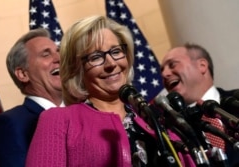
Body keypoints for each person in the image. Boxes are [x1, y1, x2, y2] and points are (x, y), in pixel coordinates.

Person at [26, 15, 196, 167]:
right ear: (77, 69)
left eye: (116, 52)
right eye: (96, 57)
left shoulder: (157, 118)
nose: (111, 64)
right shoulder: (59, 121)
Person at [0, 28, 64, 167]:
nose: (59, 58)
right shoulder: (8, 124)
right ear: (23, 74)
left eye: (58, 51)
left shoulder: (85, 110)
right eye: (46, 54)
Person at [160, 43, 239, 166]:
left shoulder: (236, 101)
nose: (164, 74)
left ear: (202, 66)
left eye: (172, 65)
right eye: (162, 70)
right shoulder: (170, 130)